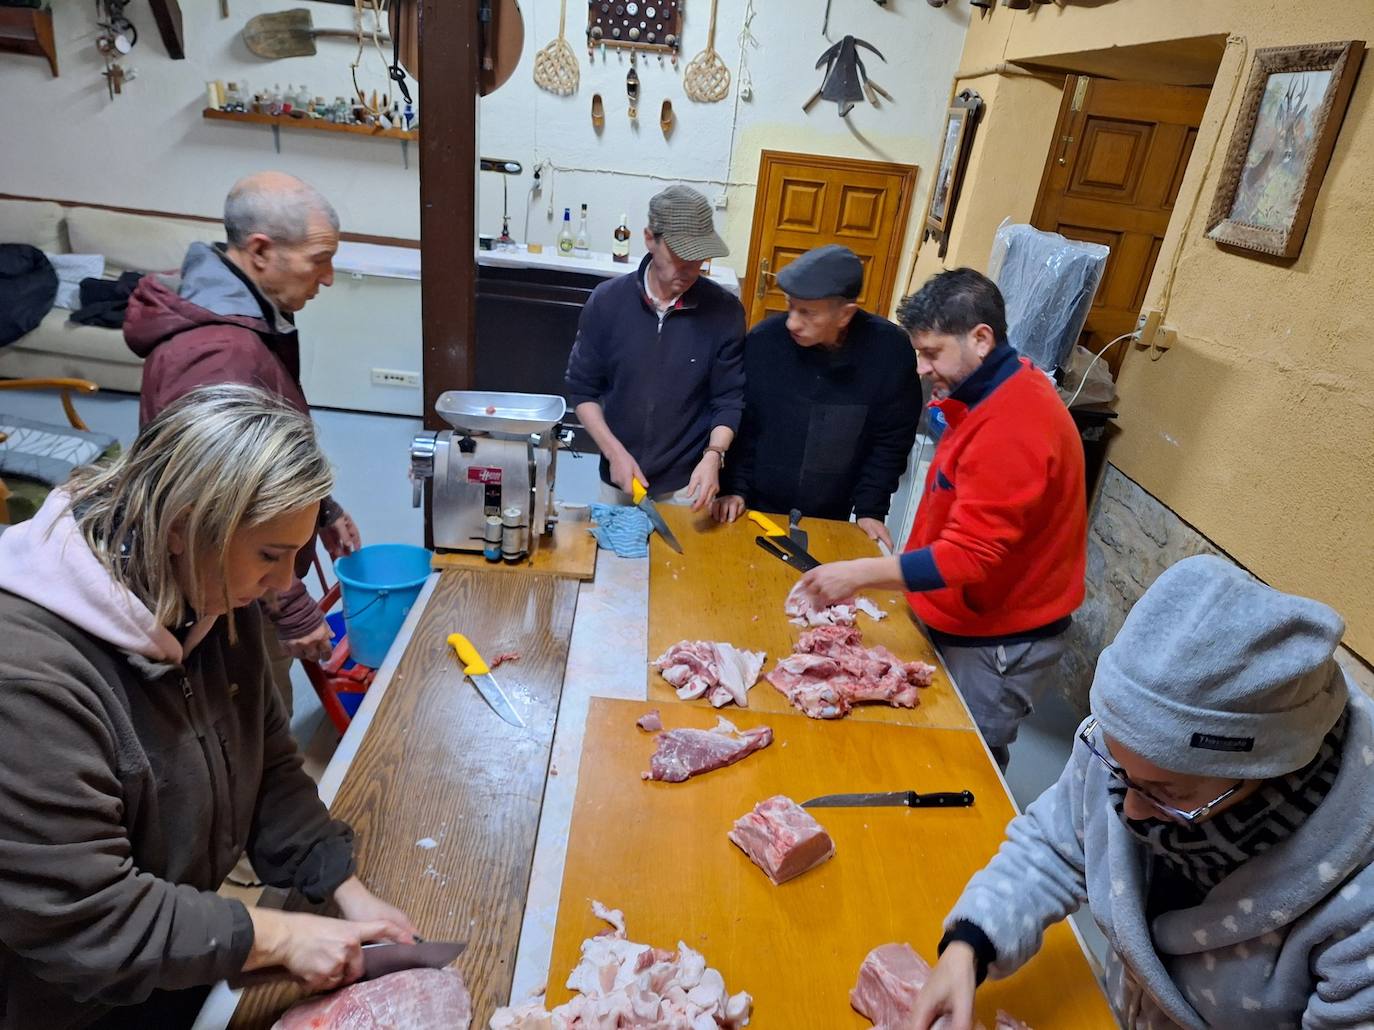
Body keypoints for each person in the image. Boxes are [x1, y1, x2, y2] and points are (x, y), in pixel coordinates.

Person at [0, 385, 415, 1030]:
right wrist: (275, 937)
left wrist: (341, 885)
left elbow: (269, 766)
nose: (285, 585)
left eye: (295, 554)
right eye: (271, 556)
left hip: (171, 951)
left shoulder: (211, 589)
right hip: (63, 1000)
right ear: (181, 527)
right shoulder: (27, 680)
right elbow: (86, 920)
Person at [910, 555, 1374, 1030]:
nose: (1127, 810)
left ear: (1268, 775)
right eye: (1119, 773)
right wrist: (969, 946)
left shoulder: (1359, 906)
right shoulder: (1126, 757)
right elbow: (1057, 844)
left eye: (1167, 792)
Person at [797, 268, 1085, 768]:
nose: (921, 368)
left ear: (980, 339)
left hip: (998, 637)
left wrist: (858, 573)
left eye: (932, 354)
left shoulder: (1014, 424)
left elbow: (970, 556)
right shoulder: (988, 387)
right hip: (959, 614)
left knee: (964, 760)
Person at [124, 171, 358, 703]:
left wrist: (323, 508)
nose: (327, 278)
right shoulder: (219, 354)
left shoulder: (246, 322)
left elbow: (262, 454)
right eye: (319, 259)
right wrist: (294, 610)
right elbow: (219, 506)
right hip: (229, 589)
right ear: (259, 250)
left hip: (247, 575)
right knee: (251, 721)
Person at [711, 244, 922, 547]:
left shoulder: (889, 353)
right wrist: (734, 488)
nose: (792, 322)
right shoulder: (764, 343)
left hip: (831, 513)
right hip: (752, 507)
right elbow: (746, 423)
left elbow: (891, 439)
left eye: (807, 313)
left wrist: (870, 509)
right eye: (790, 306)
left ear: (845, 314)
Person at [564, 184, 745, 510]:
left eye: (699, 257)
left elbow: (729, 398)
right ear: (650, 238)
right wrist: (613, 452)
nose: (691, 269)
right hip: (619, 476)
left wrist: (713, 455)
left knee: (681, 562)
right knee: (616, 558)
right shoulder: (608, 302)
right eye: (679, 254)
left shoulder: (724, 311)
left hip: (688, 483)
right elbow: (582, 390)